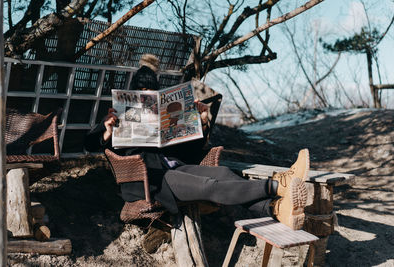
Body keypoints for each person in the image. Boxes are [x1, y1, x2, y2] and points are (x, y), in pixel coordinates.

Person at [85, 54, 309, 230]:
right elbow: (89, 144)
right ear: (134, 91)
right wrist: (106, 131)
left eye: (151, 90)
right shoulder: (117, 116)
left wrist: (200, 122)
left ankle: (277, 209)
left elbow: (190, 151)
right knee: (209, 186)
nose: (146, 94)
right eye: (142, 90)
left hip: (174, 166)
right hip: (149, 179)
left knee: (224, 174)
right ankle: (278, 185)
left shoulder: (163, 114)